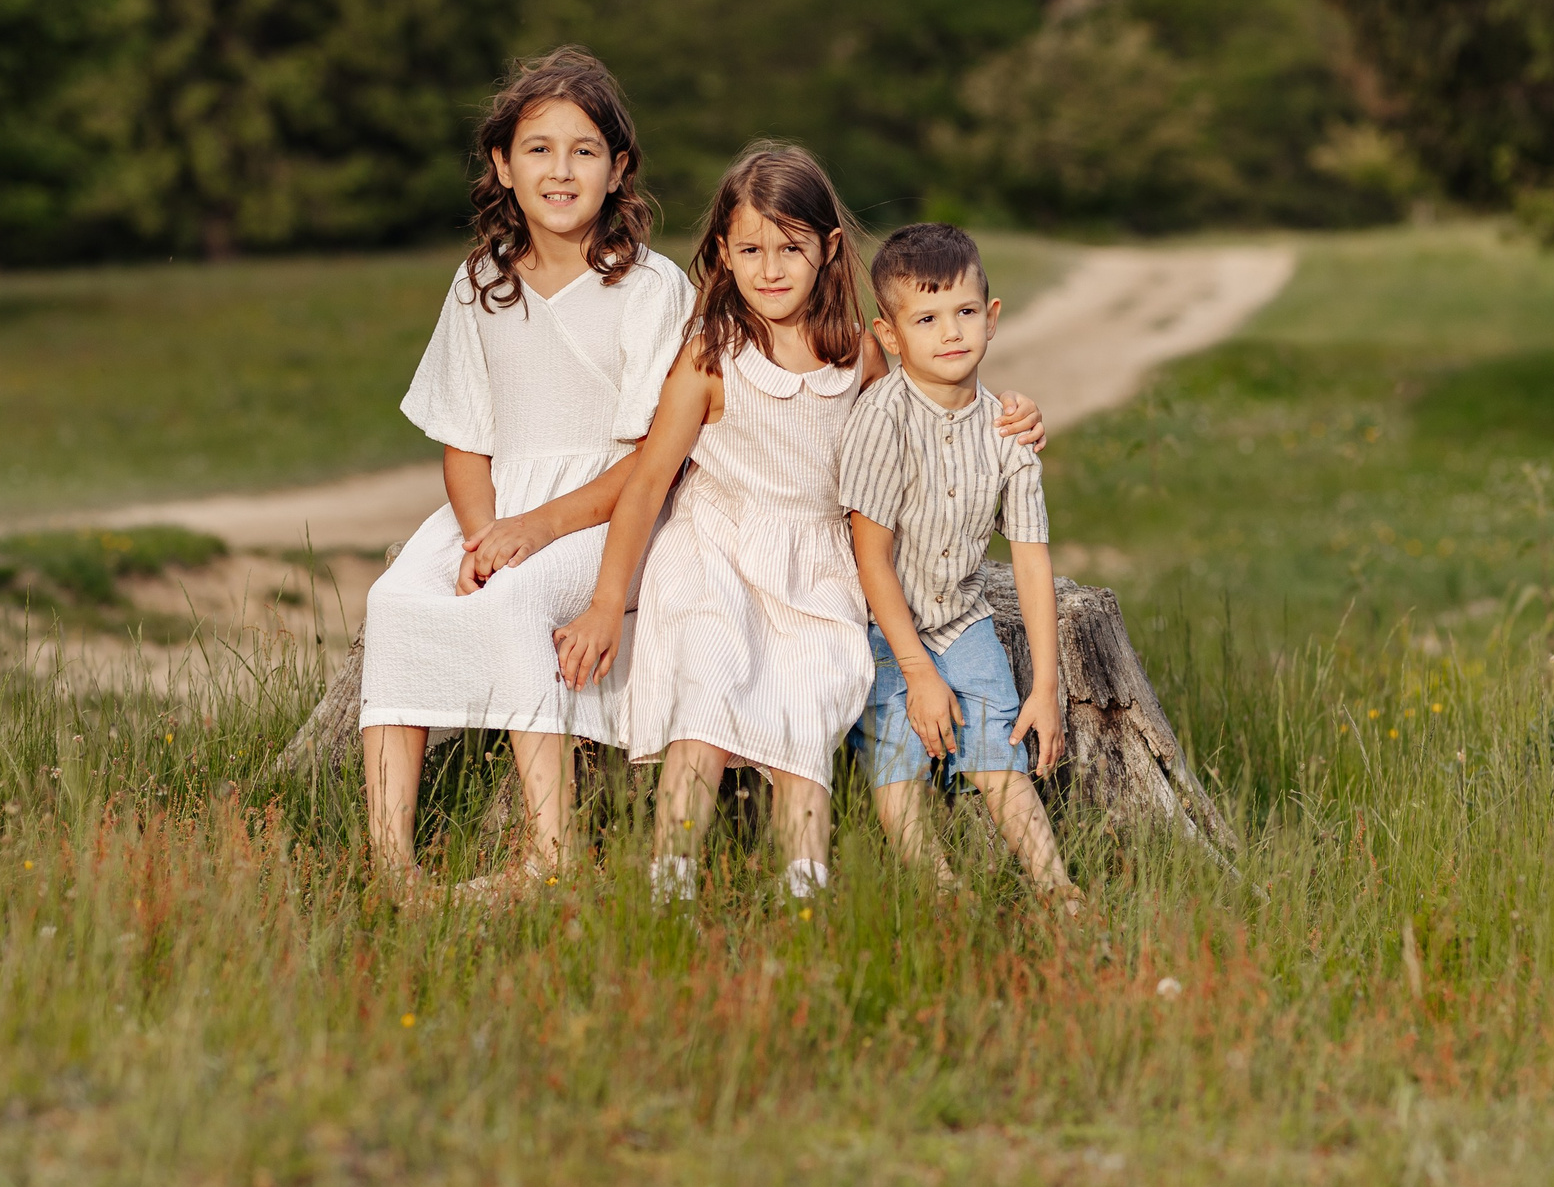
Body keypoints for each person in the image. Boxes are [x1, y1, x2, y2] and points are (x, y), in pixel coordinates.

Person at [551, 144, 1044, 900]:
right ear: (723, 252)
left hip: (817, 560)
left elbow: (941, 390)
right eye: (750, 249)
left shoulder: (857, 354)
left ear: (829, 249)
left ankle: (804, 889)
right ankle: (671, 879)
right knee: (709, 680)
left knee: (811, 694)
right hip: (716, 543)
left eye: (791, 248)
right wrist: (603, 601)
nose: (770, 268)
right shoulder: (712, 356)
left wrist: (1014, 415)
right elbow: (649, 484)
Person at [358, 47, 693, 894]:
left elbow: (656, 455)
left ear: (619, 170)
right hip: (499, 505)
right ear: (503, 165)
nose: (561, 169)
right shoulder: (480, 282)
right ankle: (392, 866)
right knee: (393, 597)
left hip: (608, 510)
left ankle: (549, 855)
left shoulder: (652, 288)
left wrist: (534, 533)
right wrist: (480, 536)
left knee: (515, 601)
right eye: (538, 149)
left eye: (585, 150)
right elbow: (464, 439)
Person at [839, 223, 1073, 898]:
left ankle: (1057, 887)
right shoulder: (882, 420)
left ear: (991, 318)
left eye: (965, 312)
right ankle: (939, 889)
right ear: (890, 335)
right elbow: (871, 556)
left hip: (961, 617)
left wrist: (1047, 687)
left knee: (999, 750)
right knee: (898, 754)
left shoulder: (1007, 430)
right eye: (927, 317)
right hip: (882, 625)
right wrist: (916, 671)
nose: (951, 332)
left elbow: (1030, 560)